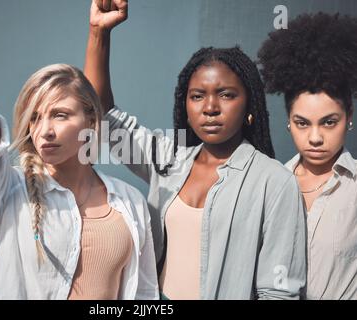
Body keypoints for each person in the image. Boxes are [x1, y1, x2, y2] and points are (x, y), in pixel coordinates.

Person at [0, 0, 158, 300]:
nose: (44, 130)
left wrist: (99, 34)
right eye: (35, 118)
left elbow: (145, 296)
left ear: (92, 119)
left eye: (60, 114)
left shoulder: (130, 202)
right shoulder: (11, 191)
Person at [84, 0, 306, 299]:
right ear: (185, 106)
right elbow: (105, 115)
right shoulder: (168, 160)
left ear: (249, 105)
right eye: (198, 96)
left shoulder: (275, 183)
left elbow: (280, 292)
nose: (211, 108)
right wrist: (99, 32)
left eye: (226, 95)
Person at [258, 12, 357, 300]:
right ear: (288, 120)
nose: (315, 137)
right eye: (302, 123)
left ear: (348, 118)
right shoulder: (271, 185)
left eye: (329, 122)